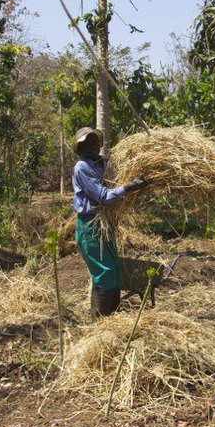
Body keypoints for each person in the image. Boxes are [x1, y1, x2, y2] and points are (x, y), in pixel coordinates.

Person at [72, 127, 146, 316]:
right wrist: (128, 187)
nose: (93, 146)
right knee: (104, 273)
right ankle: (100, 321)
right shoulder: (82, 167)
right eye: (88, 143)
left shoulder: (101, 164)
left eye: (96, 142)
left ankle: (113, 317)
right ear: (80, 148)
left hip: (104, 222)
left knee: (114, 271)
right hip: (90, 224)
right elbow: (102, 196)